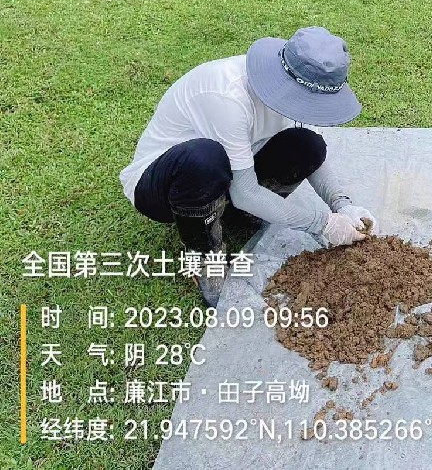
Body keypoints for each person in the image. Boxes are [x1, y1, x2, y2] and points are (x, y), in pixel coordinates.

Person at [119, 26, 376, 306]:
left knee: (309, 145)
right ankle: (206, 255)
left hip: (232, 172)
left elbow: (312, 158)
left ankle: (243, 216)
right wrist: (322, 224)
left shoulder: (296, 86)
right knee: (204, 158)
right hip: (165, 186)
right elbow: (245, 193)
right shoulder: (228, 97)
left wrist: (343, 205)